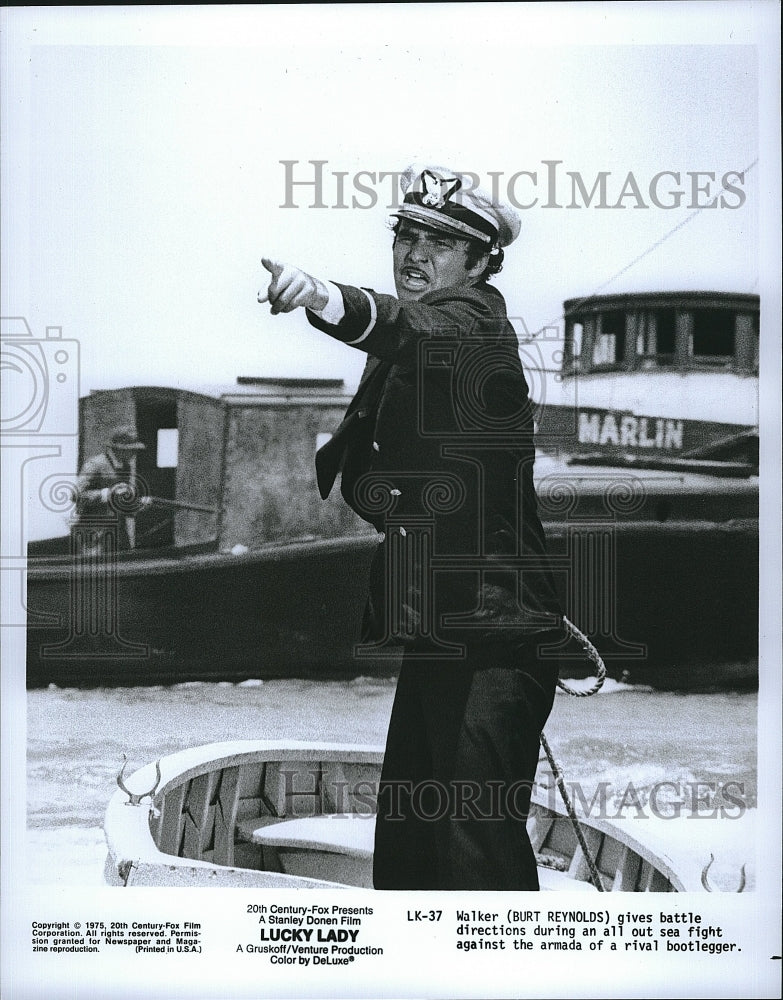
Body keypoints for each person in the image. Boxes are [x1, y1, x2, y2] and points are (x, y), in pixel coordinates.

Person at [258, 163, 564, 890]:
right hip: (443, 633)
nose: (412, 253)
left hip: (500, 640)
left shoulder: (474, 323)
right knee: (407, 852)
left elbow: (408, 326)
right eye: (404, 233)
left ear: (482, 261)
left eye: (438, 241)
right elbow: (385, 495)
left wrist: (324, 297)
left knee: (473, 852)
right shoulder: (403, 357)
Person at [72, 426, 151, 554]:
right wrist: (107, 494)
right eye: (132, 450)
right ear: (119, 449)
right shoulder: (95, 464)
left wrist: (137, 505)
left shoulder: (126, 467)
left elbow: (122, 504)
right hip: (94, 538)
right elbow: (75, 495)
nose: (134, 454)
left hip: (118, 538)